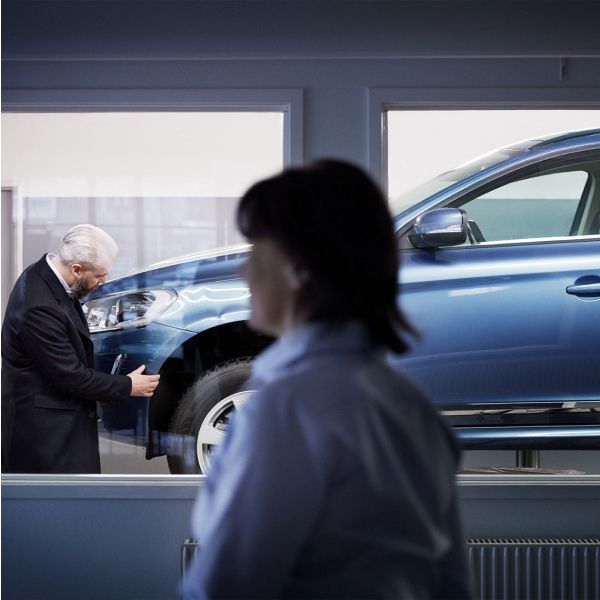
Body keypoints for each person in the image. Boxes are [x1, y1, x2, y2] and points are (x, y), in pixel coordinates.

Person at [181, 160, 470, 599]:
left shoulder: (286, 410)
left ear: (300, 269)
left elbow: (225, 588)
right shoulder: (411, 408)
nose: (244, 271)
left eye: (257, 251)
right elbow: (451, 586)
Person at [1, 224, 160, 474]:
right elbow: (70, 376)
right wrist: (128, 385)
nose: (104, 281)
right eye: (99, 276)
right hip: (45, 441)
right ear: (76, 269)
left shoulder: (47, 278)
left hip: (57, 431)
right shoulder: (38, 306)